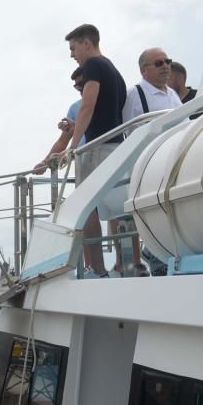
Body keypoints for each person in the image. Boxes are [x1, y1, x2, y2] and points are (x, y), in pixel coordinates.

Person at [65, 23, 127, 278]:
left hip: (96, 148)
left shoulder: (92, 66)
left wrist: (74, 144)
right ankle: (126, 265)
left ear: (86, 43)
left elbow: (87, 105)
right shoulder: (113, 68)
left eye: (73, 48)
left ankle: (97, 269)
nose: (72, 55)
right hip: (116, 145)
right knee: (115, 209)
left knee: (86, 209)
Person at [120, 48, 182, 276]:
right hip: (150, 164)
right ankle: (155, 255)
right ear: (144, 69)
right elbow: (126, 131)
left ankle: (158, 253)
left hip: (173, 159)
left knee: (171, 209)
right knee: (155, 211)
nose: (165, 66)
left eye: (167, 61)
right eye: (159, 63)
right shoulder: (135, 94)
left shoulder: (172, 95)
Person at [32, 67, 85, 175]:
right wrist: (45, 163)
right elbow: (63, 141)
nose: (80, 88)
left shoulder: (105, 102)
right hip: (82, 164)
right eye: (77, 86)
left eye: (82, 83)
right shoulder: (74, 108)